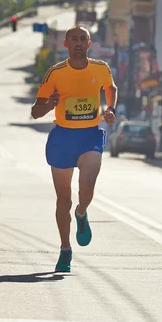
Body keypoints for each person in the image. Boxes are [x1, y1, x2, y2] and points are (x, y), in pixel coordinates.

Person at [31, 25, 117, 273]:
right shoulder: (55, 73)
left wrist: (110, 109)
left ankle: (82, 213)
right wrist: (50, 104)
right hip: (62, 138)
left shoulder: (100, 69)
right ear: (66, 44)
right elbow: (35, 112)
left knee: (87, 187)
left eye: (83, 39)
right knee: (63, 199)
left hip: (90, 135)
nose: (79, 43)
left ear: (89, 45)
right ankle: (65, 249)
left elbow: (111, 89)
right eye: (74, 39)